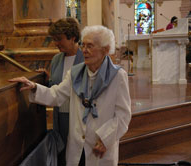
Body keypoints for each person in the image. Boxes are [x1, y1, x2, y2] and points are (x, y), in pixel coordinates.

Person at [9, 25, 131, 166]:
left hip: (101, 146)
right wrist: (34, 87)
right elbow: (56, 95)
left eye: (90, 46)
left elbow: (123, 115)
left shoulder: (117, 76)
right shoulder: (75, 73)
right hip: (77, 145)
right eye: (83, 45)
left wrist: (106, 139)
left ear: (105, 50)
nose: (84, 50)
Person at [37, 17, 84, 166]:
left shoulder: (85, 58)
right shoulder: (56, 59)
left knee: (80, 155)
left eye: (59, 39)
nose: (56, 43)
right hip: (61, 116)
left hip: (79, 116)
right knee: (63, 154)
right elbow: (55, 87)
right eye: (54, 39)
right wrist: (47, 79)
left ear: (73, 38)